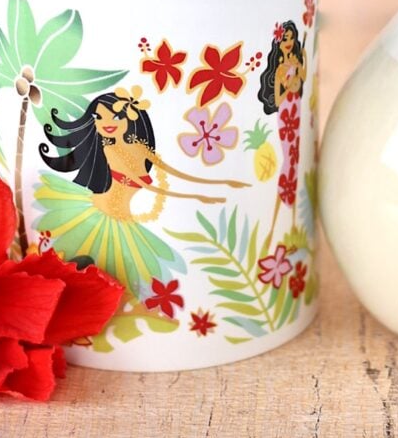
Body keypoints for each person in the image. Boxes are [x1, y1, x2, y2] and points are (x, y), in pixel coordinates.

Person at [34, 87, 246, 298]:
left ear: (129, 117)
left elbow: (172, 172)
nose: (106, 122)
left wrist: (222, 182)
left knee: (133, 279)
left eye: (115, 116)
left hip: (124, 220)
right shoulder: (110, 150)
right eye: (99, 117)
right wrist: (198, 196)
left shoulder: (139, 147)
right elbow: (151, 186)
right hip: (101, 214)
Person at [257, 21, 307, 245]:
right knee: (289, 160)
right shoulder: (278, 70)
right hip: (286, 112)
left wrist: (303, 60)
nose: (288, 42)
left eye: (291, 38)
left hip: (297, 109)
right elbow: (277, 100)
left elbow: (302, 79)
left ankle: (293, 221)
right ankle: (276, 225)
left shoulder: (295, 60)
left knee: (296, 159)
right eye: (284, 39)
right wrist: (289, 85)